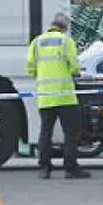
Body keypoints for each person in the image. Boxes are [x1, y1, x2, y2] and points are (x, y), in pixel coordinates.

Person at [27, 12, 90, 180]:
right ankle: (70, 168)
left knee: (45, 132)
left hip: (46, 97)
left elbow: (30, 69)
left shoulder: (36, 42)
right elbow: (75, 67)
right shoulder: (66, 41)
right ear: (64, 28)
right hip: (65, 96)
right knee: (71, 132)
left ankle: (44, 169)